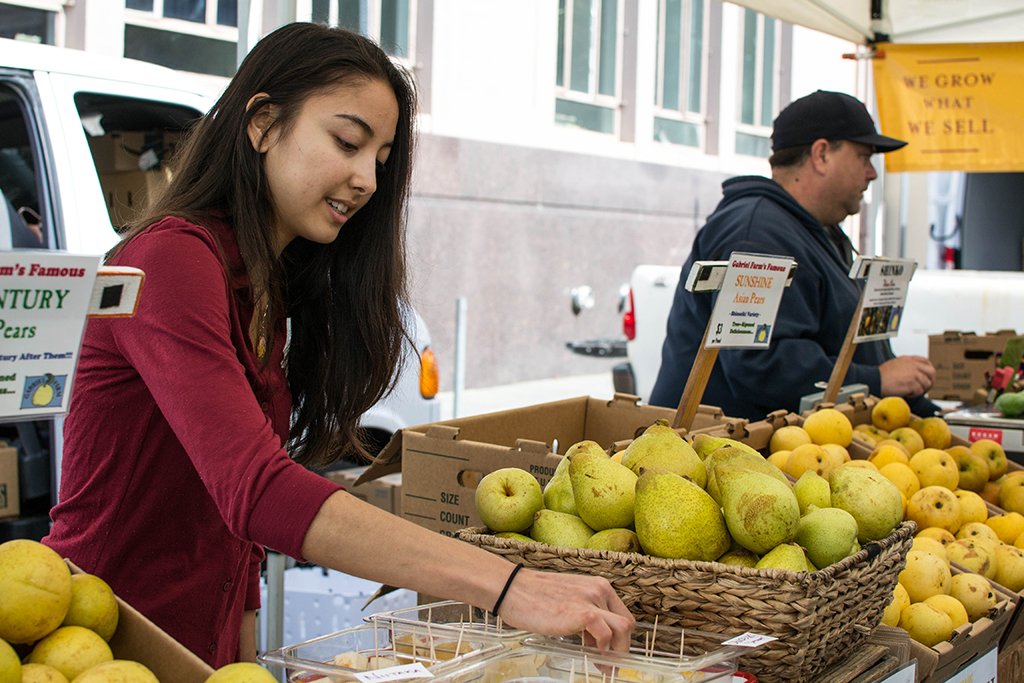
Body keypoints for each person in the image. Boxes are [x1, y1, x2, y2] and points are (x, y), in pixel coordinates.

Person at [44, 23, 633, 668]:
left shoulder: (266, 282)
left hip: (193, 654)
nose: (366, 181)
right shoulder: (171, 259)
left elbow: (232, 523)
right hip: (95, 640)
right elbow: (257, 488)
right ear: (263, 123)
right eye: (347, 142)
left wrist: (242, 659)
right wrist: (508, 586)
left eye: (379, 161)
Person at [650, 90, 938, 421]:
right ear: (821, 154)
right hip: (724, 455)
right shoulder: (756, 233)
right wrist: (876, 380)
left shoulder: (817, 232)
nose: (872, 173)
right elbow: (758, 362)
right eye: (864, 157)